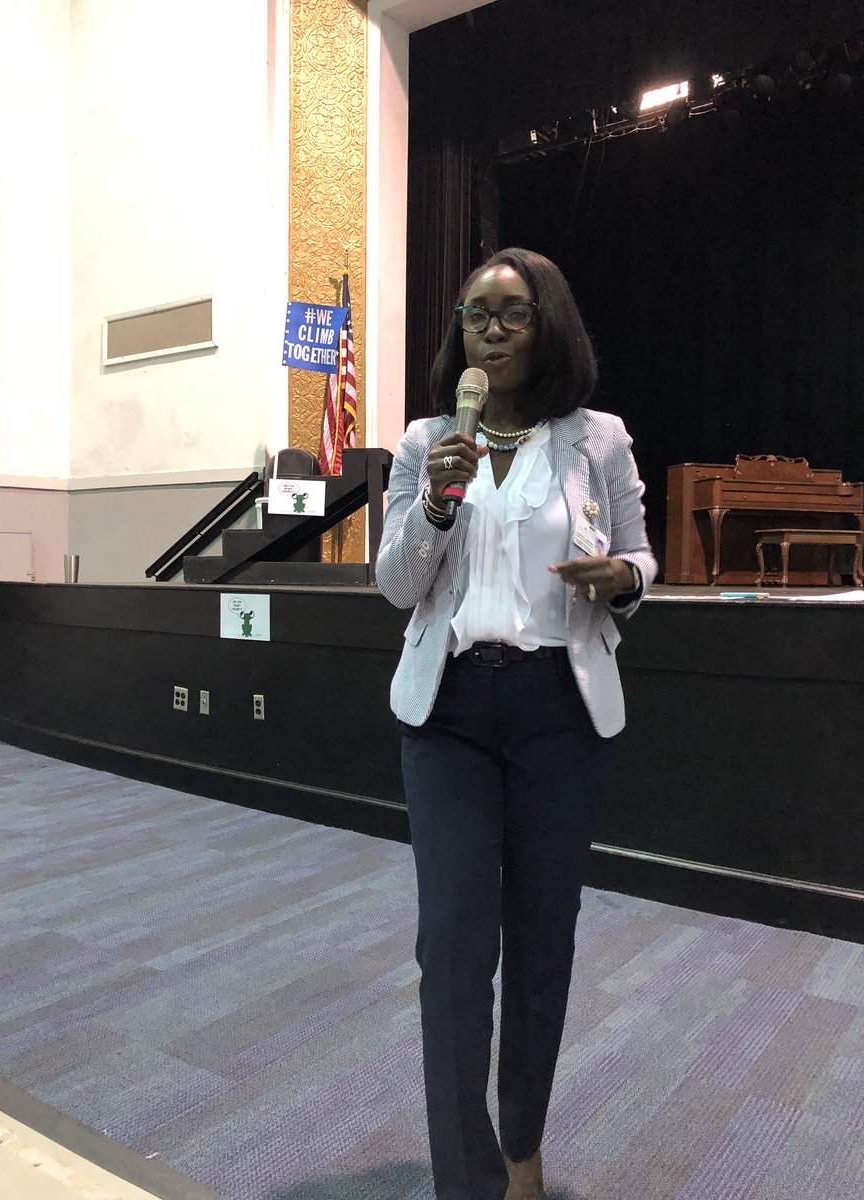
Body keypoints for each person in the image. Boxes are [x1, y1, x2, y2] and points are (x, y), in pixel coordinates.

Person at [375, 247, 657, 1200]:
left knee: (544, 937)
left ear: (549, 327)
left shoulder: (597, 439)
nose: (489, 330)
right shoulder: (425, 444)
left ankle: (523, 1144)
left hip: (555, 713)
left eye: (511, 313)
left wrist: (623, 579)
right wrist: (438, 503)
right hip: (448, 713)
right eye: (474, 315)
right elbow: (397, 586)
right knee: (452, 943)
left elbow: (641, 558)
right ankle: (468, 1178)